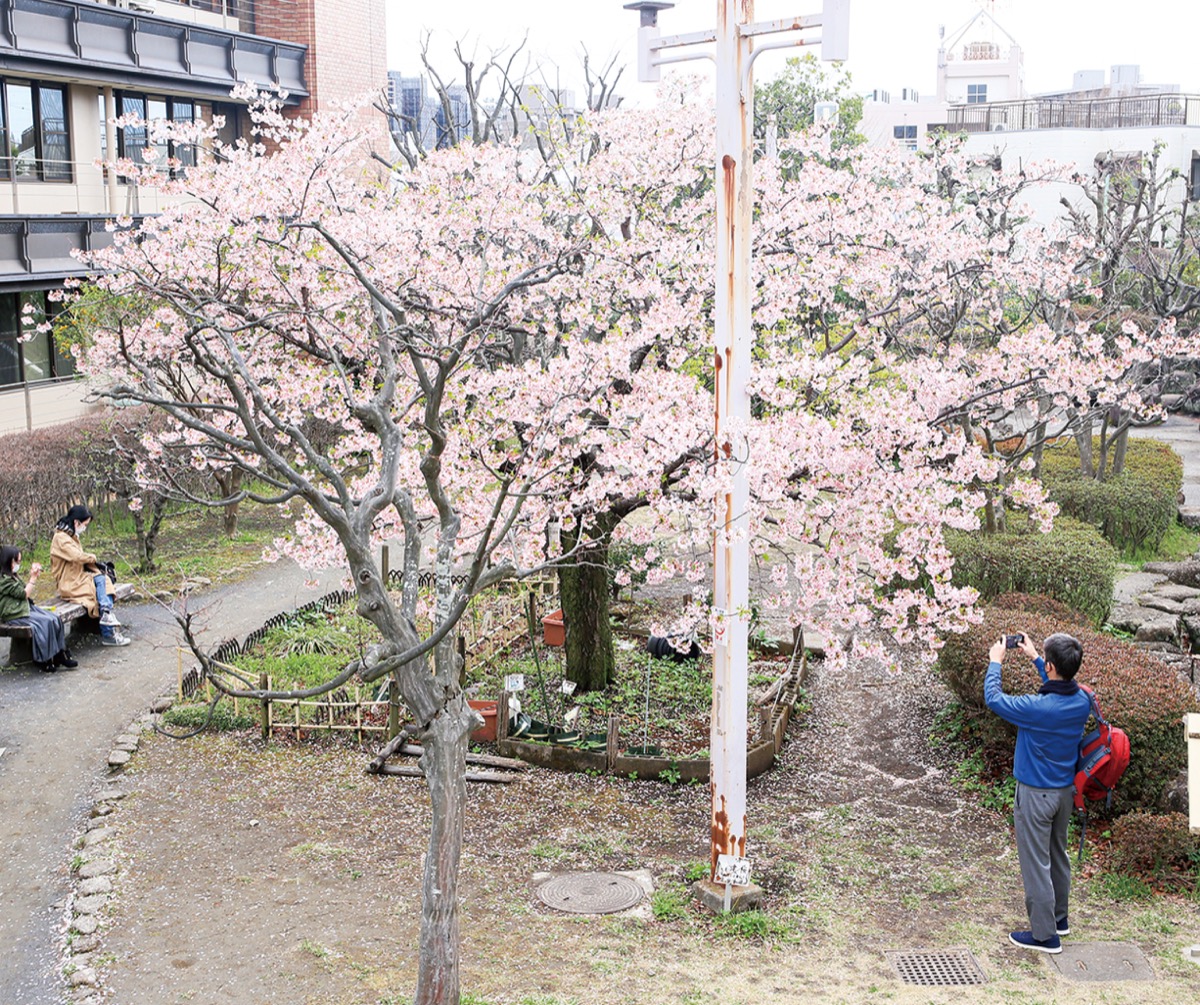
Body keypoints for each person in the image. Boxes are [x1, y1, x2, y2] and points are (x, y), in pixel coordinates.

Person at [985, 631, 1093, 954]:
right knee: (1057, 856)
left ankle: (1046, 936)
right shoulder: (1083, 700)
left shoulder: (1038, 708)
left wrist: (995, 663)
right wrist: (1035, 657)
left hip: (1035, 795)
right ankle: (1059, 919)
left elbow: (994, 699)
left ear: (1052, 665)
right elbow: (1058, 684)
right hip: (1063, 794)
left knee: (1036, 864)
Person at [49, 505, 130, 647]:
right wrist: (92, 557)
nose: (85, 528)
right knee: (102, 589)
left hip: (78, 579)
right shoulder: (61, 538)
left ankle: (106, 615)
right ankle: (108, 631)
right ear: (76, 522)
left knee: (103, 580)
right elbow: (77, 556)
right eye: (85, 525)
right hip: (69, 584)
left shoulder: (70, 535)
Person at [0, 546, 78, 671]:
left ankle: (60, 654)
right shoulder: (4, 580)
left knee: (55, 619)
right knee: (43, 624)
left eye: (19, 561)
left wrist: (32, 577)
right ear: (8, 561)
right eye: (16, 562)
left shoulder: (13, 576)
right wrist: (33, 578)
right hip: (14, 615)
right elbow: (23, 594)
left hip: (24, 609)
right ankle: (43, 659)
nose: (18, 565)